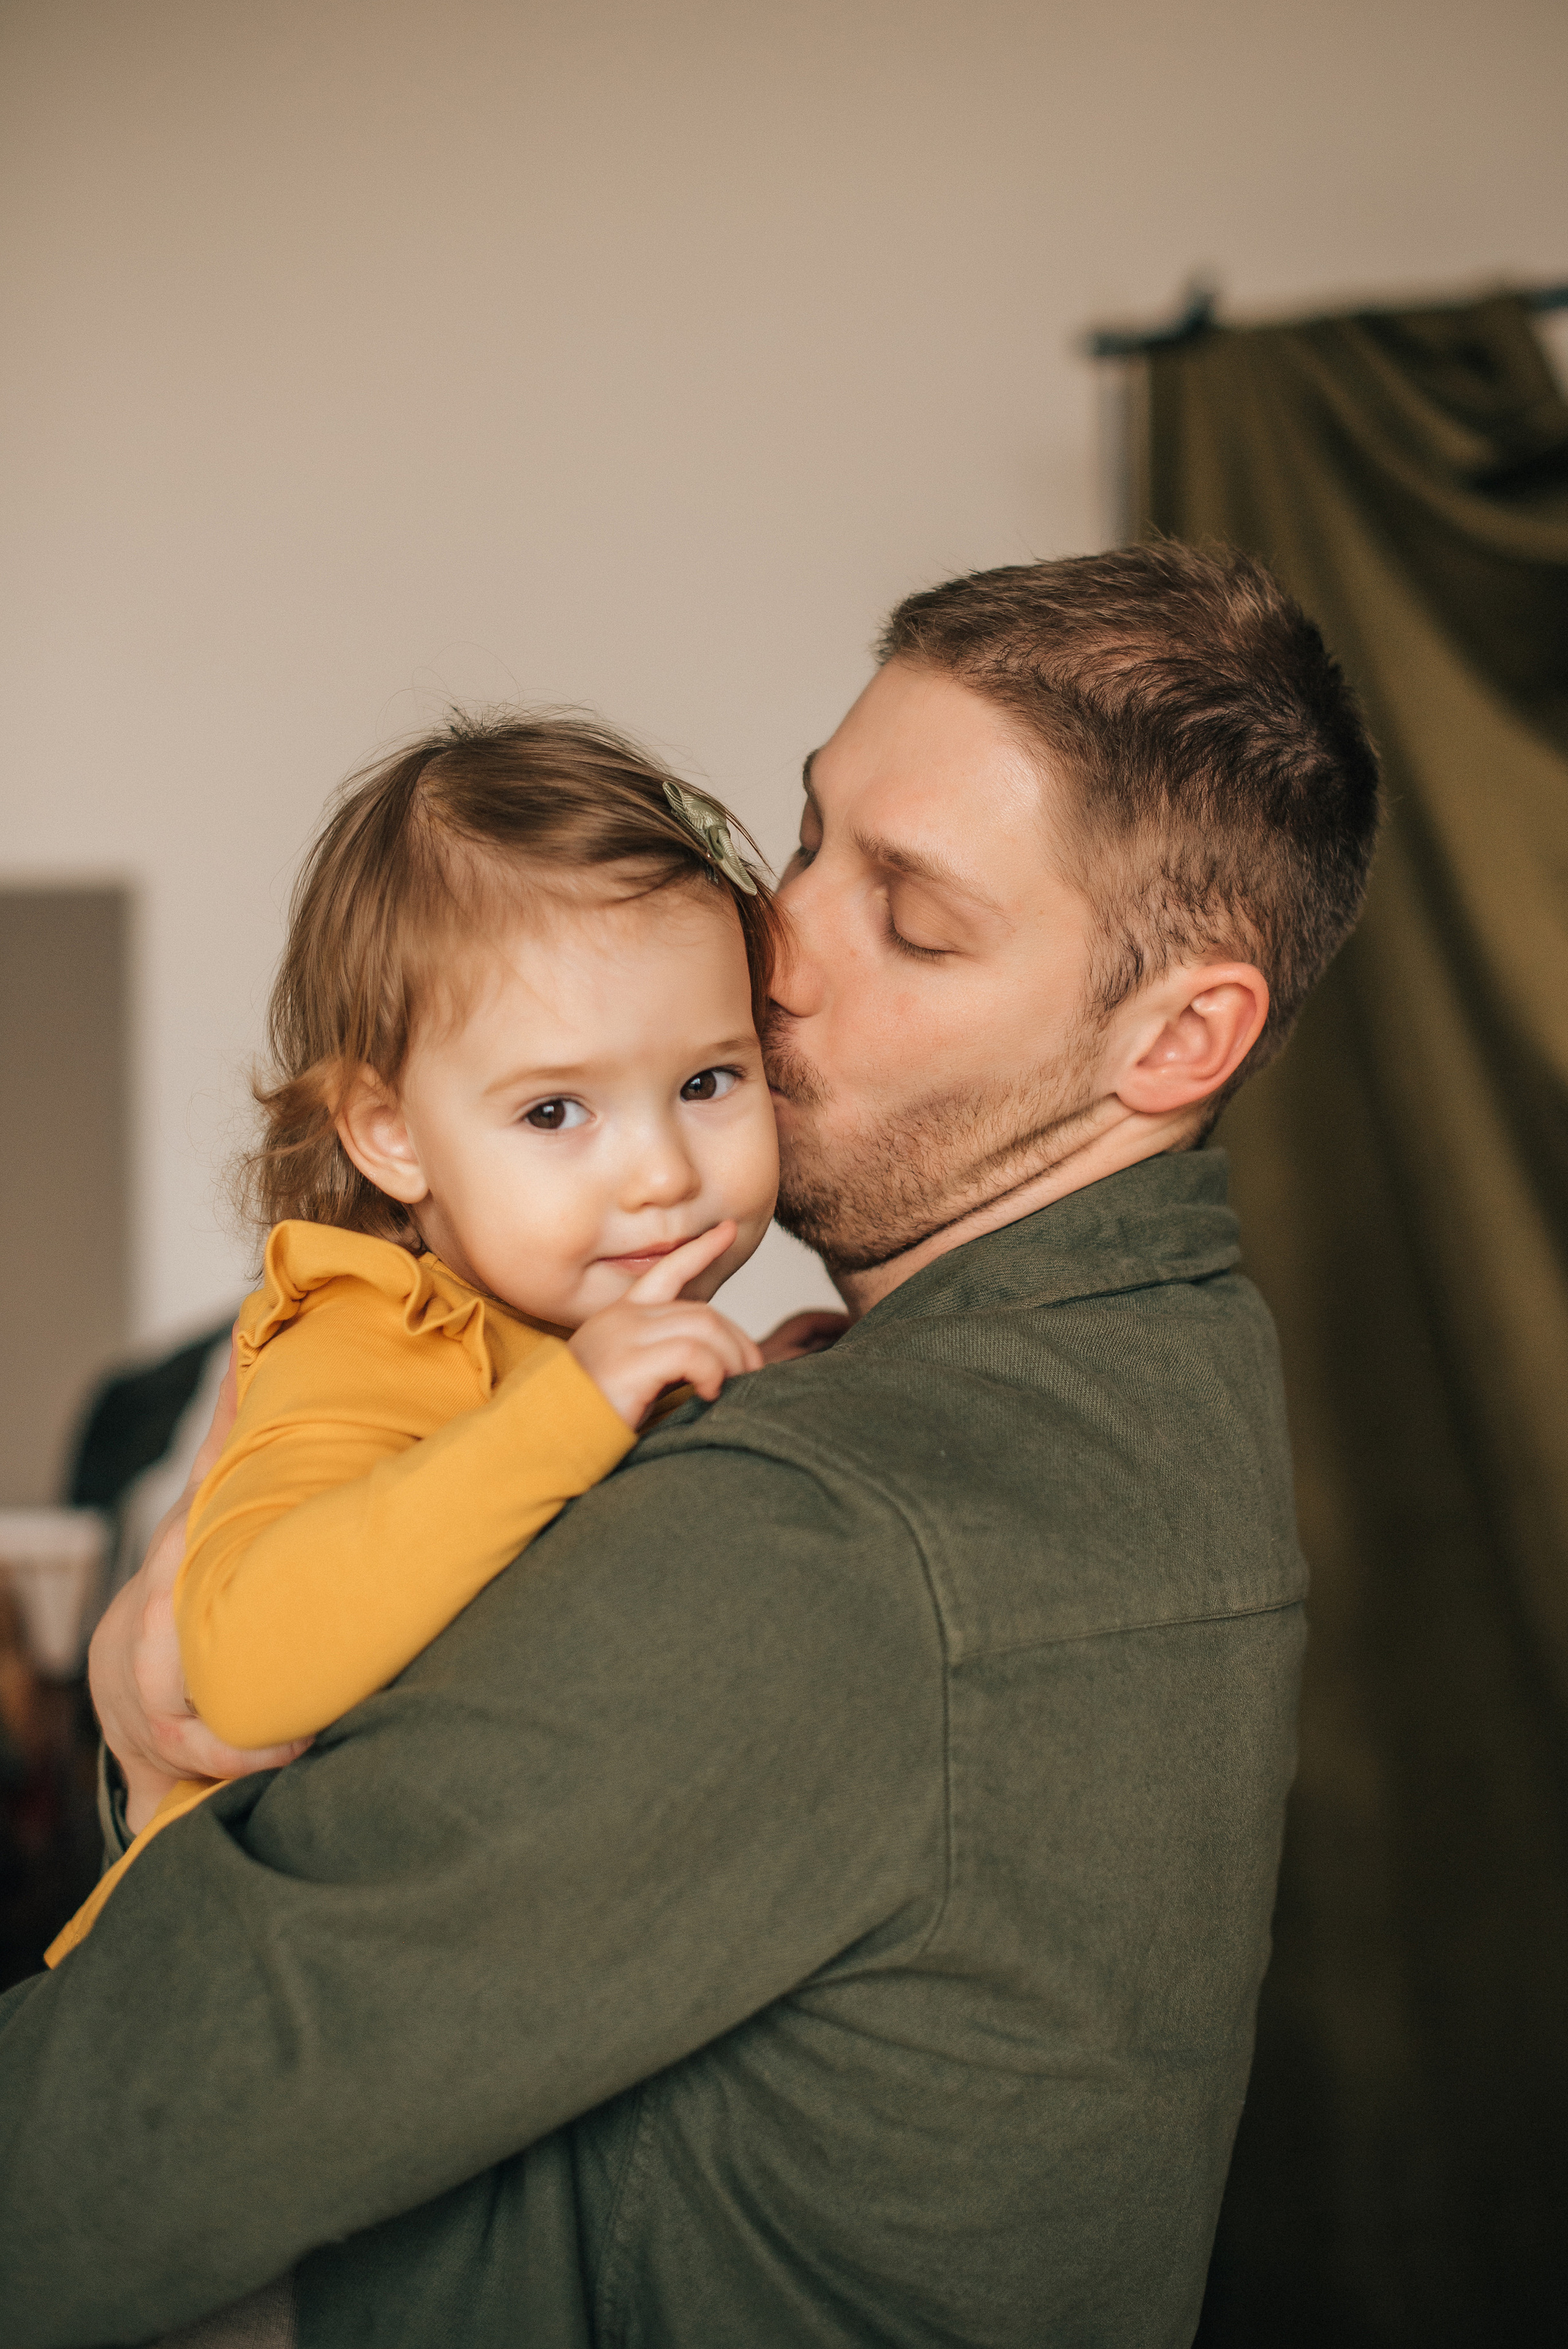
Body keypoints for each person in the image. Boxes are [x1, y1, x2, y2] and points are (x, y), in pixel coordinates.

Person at [0, 543, 1381, 2349]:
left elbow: (111, 2143)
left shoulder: (827, 1531)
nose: (772, 947)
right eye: (808, 840)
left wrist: (144, 1715)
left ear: (1178, 1034)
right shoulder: (1159, 1381)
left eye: (915, 914)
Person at [46, 719, 783, 1962]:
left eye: (710, 1081)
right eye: (556, 1110)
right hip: (216, 2019)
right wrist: (575, 1412)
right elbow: (243, 1668)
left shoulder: (580, 1338)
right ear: (387, 1133)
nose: (661, 1171)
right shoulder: (370, 1329)